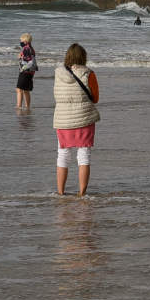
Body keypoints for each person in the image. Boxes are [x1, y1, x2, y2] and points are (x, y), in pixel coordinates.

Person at [52, 42, 100, 197]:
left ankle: (60, 192)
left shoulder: (58, 73)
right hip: (84, 118)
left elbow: (57, 96)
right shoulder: (89, 74)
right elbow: (96, 98)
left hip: (62, 119)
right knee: (84, 155)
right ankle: (82, 193)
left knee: (63, 155)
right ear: (83, 57)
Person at [16, 33, 38, 110]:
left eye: (21, 40)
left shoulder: (26, 48)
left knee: (19, 89)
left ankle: (18, 106)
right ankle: (27, 107)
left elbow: (30, 62)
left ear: (25, 41)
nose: (20, 42)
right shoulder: (30, 48)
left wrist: (20, 58)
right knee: (26, 90)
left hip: (25, 71)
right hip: (30, 72)